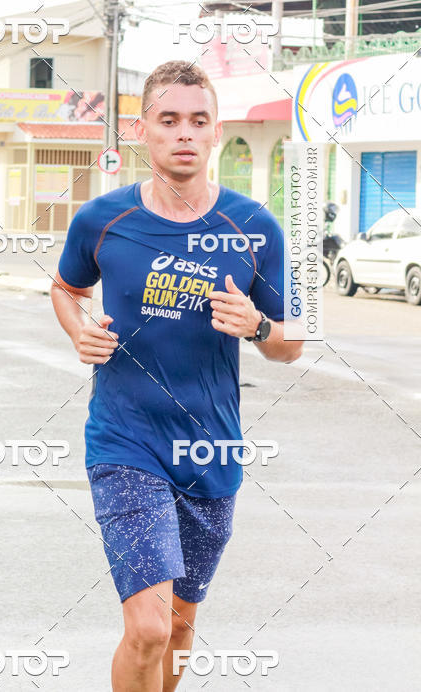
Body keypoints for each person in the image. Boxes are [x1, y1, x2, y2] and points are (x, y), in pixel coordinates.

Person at [51, 61, 304, 691]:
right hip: (125, 442)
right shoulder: (102, 219)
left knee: (181, 626)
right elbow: (66, 288)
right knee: (149, 628)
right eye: (168, 120)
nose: (184, 133)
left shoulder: (254, 228)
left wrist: (257, 327)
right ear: (142, 130)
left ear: (217, 131)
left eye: (198, 120)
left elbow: (293, 342)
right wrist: (78, 329)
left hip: (211, 450)